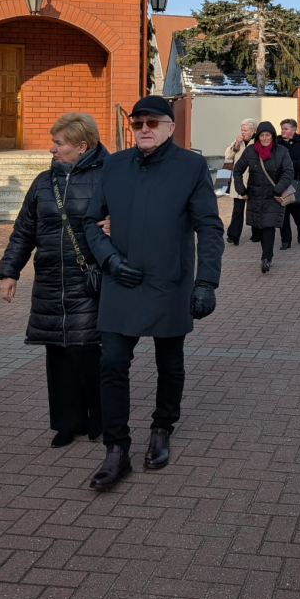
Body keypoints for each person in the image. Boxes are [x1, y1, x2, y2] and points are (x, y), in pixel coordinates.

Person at [83, 95, 224, 489]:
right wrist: (109, 260)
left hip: (169, 281)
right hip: (121, 280)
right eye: (137, 123)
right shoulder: (114, 165)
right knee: (112, 363)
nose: (144, 129)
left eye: (153, 122)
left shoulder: (191, 166)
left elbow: (209, 227)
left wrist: (206, 282)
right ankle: (116, 449)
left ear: (170, 127)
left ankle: (162, 428)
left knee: (170, 363)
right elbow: (91, 221)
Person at [0, 113, 108, 449]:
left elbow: (131, 218)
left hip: (87, 281)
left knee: (86, 351)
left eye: (58, 143)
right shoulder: (43, 183)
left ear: (81, 146)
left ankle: (100, 420)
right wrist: (9, 272)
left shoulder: (108, 177)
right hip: (49, 282)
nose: (52, 149)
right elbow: (23, 231)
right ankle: (67, 423)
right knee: (57, 354)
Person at [232, 121, 293, 273]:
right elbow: (237, 170)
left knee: (268, 226)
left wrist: (278, 190)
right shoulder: (251, 151)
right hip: (255, 195)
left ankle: (266, 258)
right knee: (260, 225)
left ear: (273, 136)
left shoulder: (281, 151)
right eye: (262, 135)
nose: (265, 138)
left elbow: (288, 172)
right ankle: (267, 254)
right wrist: (241, 190)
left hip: (273, 196)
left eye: (268, 135)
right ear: (258, 136)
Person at [277, 118, 300, 249]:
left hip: (297, 181)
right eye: (282, 129)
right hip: (281, 182)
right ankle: (286, 240)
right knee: (283, 213)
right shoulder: (278, 142)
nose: (283, 131)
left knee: (298, 213)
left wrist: (293, 164)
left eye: (285, 129)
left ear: (293, 130)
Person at [224, 117, 257, 246]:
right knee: (237, 210)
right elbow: (228, 156)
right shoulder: (238, 141)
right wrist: (236, 145)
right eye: (242, 130)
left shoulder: (257, 142)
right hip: (239, 181)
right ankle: (233, 235)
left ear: (252, 131)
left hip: (253, 180)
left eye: (245, 130)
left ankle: (257, 234)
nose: (243, 132)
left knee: (254, 208)